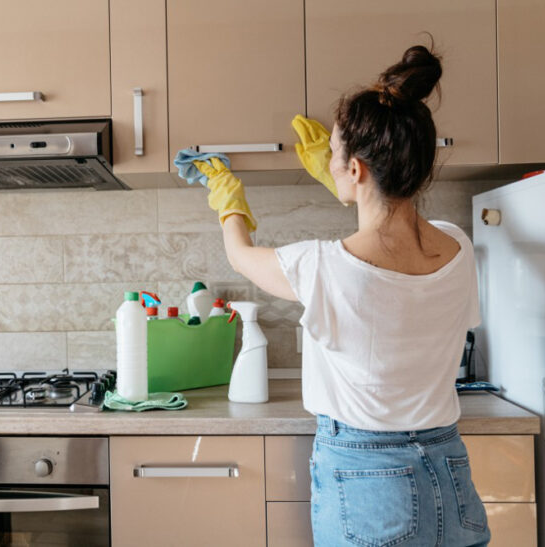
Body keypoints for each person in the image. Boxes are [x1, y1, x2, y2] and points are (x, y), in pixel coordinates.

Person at [190, 45, 490, 546]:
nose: (327, 160)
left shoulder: (321, 266)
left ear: (357, 169)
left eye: (333, 153)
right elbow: (391, 230)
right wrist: (341, 174)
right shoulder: (458, 245)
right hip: (450, 474)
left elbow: (242, 255)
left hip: (369, 480)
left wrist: (225, 194)